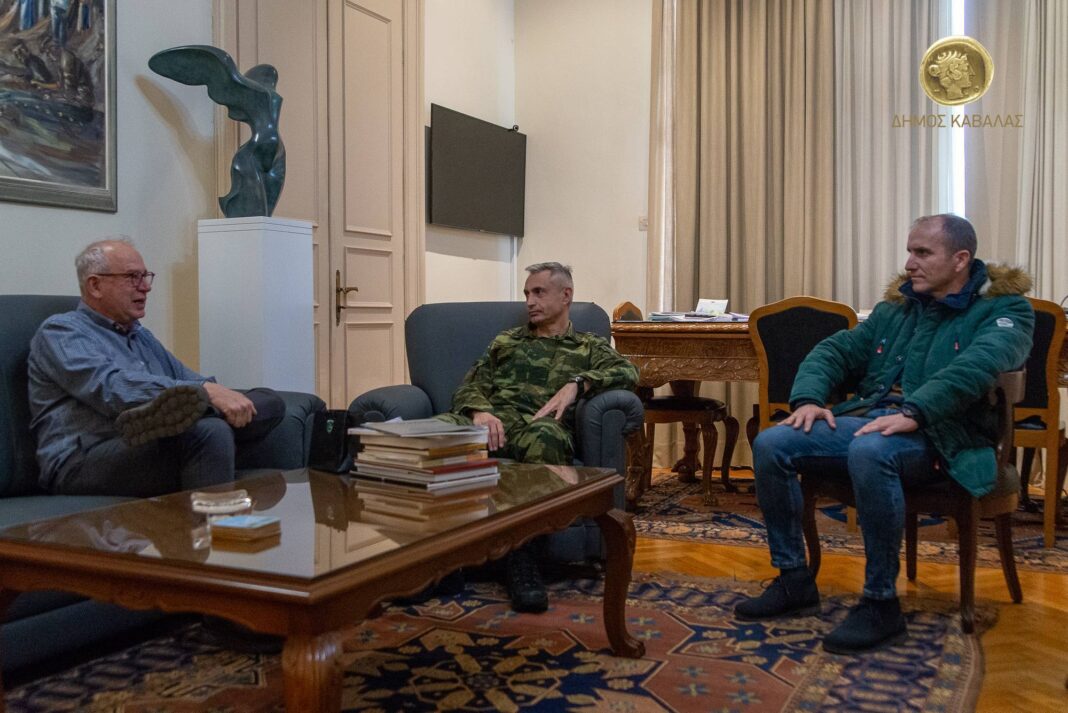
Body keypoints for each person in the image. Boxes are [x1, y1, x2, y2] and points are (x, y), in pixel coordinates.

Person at [734, 214, 1034, 654]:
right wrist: (809, 400)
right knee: (772, 442)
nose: (909, 263)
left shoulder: (1005, 310)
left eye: (923, 252)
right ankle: (794, 579)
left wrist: (917, 410)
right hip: (873, 419)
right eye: (910, 251)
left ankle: (880, 604)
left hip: (947, 435)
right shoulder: (897, 309)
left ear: (960, 259)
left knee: (871, 450)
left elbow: (979, 365)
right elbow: (835, 350)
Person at [437, 262, 639, 612]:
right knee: (437, 431)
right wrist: (479, 411)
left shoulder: (587, 346)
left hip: (539, 427)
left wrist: (578, 384)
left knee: (545, 436)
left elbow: (629, 372)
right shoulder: (507, 341)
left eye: (539, 292)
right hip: (493, 423)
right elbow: (470, 385)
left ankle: (522, 559)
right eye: (527, 293)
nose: (529, 301)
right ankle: (438, 560)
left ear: (566, 295)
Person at [28, 238, 286, 498]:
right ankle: (215, 526)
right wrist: (206, 393)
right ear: (95, 285)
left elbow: (190, 381)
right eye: (132, 277)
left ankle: (159, 420)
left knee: (270, 403)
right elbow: (110, 388)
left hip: (148, 445)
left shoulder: (140, 335)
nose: (145, 287)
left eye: (145, 276)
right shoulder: (62, 331)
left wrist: (212, 395)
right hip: (83, 458)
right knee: (209, 429)